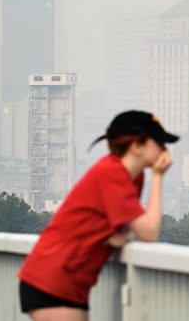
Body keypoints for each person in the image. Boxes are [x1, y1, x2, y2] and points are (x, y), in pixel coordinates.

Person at [18, 110, 179, 321]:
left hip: (73, 283)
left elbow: (125, 226)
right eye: (158, 141)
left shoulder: (133, 177)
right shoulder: (112, 173)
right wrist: (158, 176)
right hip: (52, 280)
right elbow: (148, 231)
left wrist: (123, 235)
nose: (164, 149)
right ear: (137, 146)